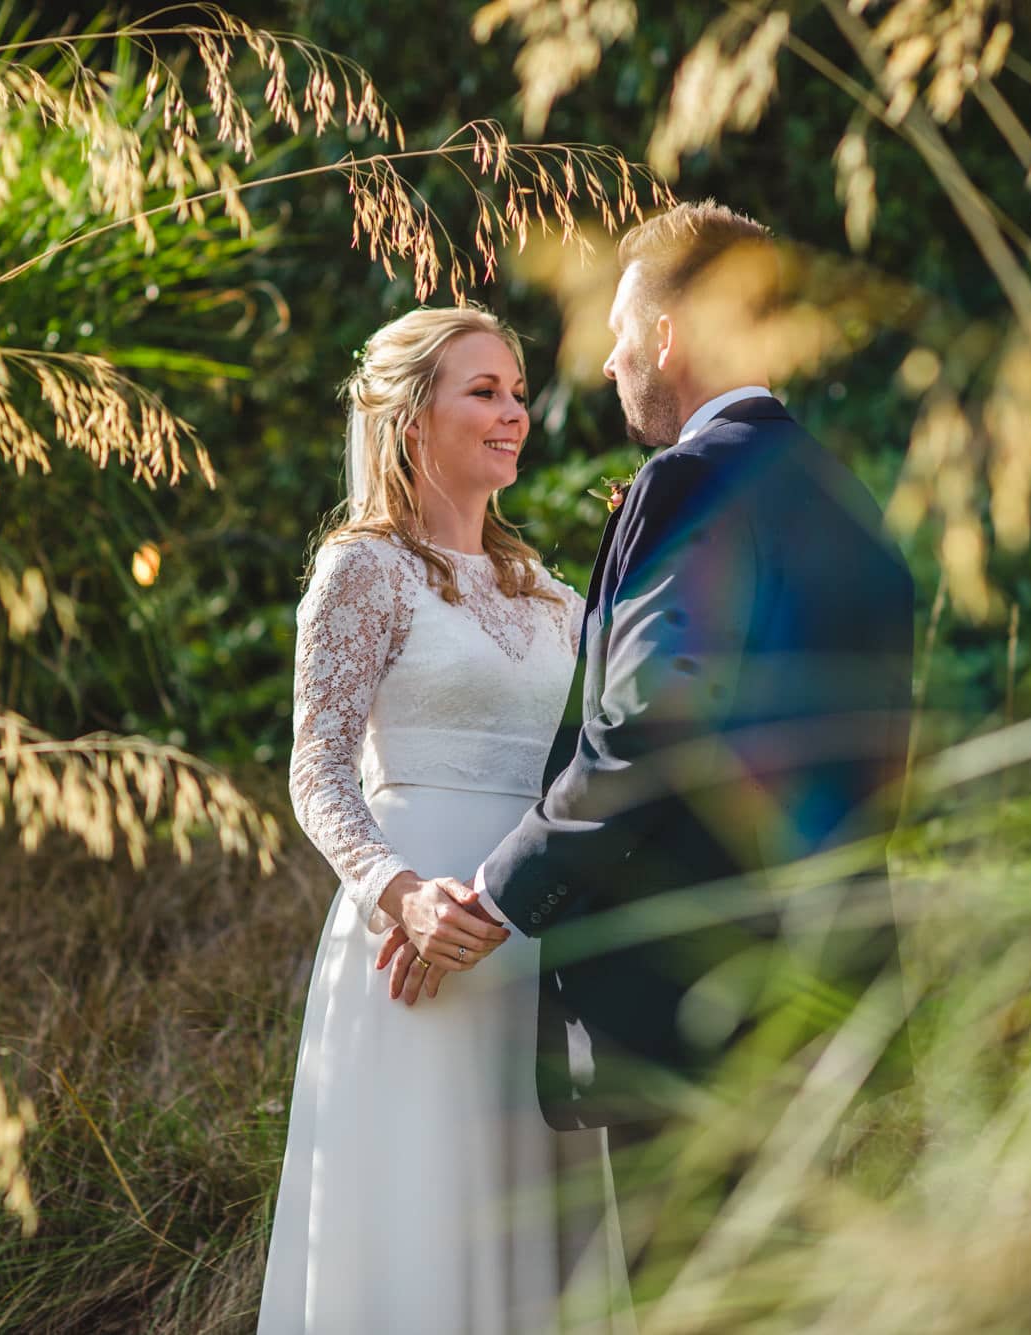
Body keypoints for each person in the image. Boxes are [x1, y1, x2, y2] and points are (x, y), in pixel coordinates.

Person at [377, 200, 916, 1262]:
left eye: (622, 334)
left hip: (694, 1005)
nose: (612, 362)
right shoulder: (849, 501)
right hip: (836, 991)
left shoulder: (686, 482)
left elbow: (645, 727)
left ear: (667, 337)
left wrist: (492, 893)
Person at [258, 307, 633, 1334]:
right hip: (414, 942)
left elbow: (587, 771)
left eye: (515, 391)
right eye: (483, 391)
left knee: (534, 1222)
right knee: (422, 1214)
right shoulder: (361, 569)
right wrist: (399, 895)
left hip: (535, 935)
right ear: (411, 416)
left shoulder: (553, 595)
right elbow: (317, 772)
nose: (513, 412)